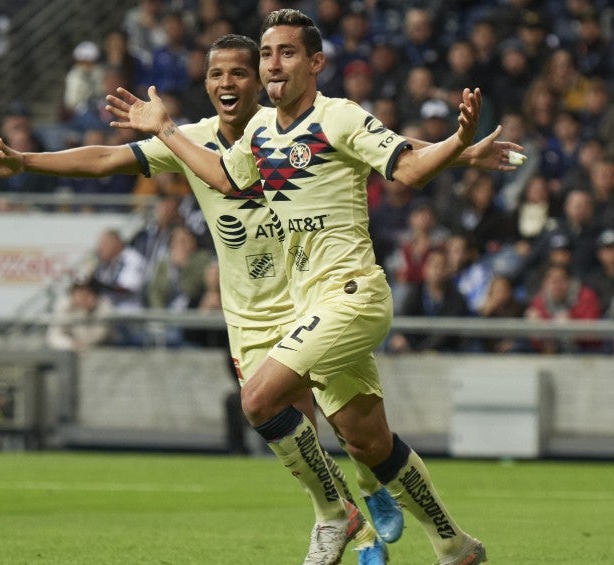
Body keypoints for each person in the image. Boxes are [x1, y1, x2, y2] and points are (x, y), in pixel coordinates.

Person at [105, 11, 496, 564]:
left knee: (259, 399)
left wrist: (458, 141)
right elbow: (223, 177)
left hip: (352, 295)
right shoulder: (262, 131)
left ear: (315, 63)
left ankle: (336, 515)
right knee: (369, 443)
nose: (273, 65)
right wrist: (166, 130)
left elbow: (407, 170)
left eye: (287, 53)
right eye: (267, 54)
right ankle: (455, 545)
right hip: (309, 306)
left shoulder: (339, 117)